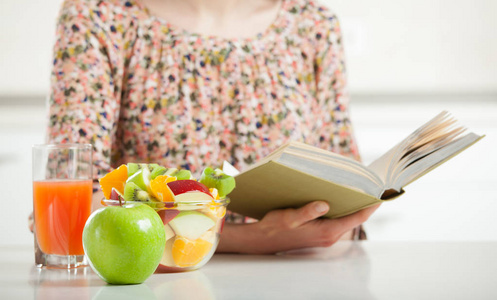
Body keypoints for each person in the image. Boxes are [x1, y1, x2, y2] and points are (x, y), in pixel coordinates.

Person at [43, 0, 380, 254]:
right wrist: (248, 240)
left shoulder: (313, 24)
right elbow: (69, 206)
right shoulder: (99, 16)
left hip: (301, 276)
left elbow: (344, 181)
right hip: (161, 283)